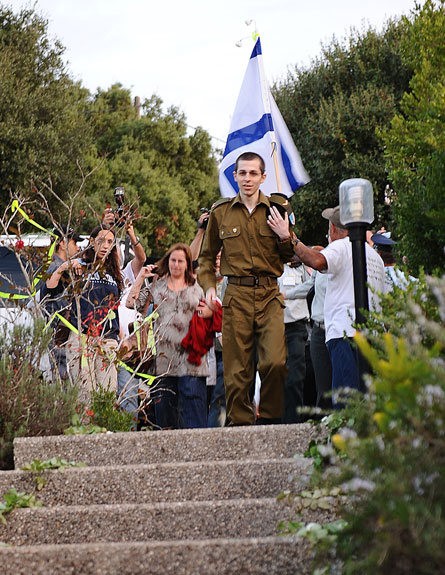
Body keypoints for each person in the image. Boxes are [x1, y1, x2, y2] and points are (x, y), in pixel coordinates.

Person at [198, 151, 297, 426]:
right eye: (242, 173)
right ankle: (240, 427)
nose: (247, 178)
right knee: (236, 371)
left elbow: (290, 255)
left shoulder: (277, 210)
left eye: (253, 173)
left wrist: (284, 235)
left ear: (263, 177)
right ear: (235, 176)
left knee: (274, 363)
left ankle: (269, 420)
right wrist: (208, 288)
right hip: (236, 297)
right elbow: (206, 258)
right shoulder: (221, 213)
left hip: (269, 295)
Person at [287, 205, 385, 403]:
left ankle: (342, 433)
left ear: (332, 228)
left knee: (344, 400)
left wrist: (292, 239)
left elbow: (317, 261)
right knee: (364, 399)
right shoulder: (375, 257)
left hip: (344, 334)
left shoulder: (341, 247)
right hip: (371, 336)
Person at [126, 243, 213, 429]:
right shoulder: (157, 288)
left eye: (181, 261)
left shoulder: (198, 287)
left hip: (192, 361)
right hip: (164, 361)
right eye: (173, 260)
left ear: (187, 264)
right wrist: (142, 276)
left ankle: (198, 454)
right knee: (165, 419)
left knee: (194, 417)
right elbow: (130, 303)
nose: (176, 264)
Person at [42, 225, 123, 404]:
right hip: (82, 338)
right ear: (92, 242)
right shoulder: (80, 267)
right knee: (84, 396)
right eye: (101, 240)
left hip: (108, 339)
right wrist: (64, 267)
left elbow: (115, 308)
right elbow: (47, 291)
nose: (105, 245)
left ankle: (105, 432)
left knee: (107, 395)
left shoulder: (113, 273)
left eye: (110, 242)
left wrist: (119, 336)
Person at [33, 226, 82, 380]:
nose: (77, 247)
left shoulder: (60, 266)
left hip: (59, 334)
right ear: (62, 244)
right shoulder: (55, 268)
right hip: (55, 333)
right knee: (58, 379)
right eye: (74, 242)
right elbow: (47, 298)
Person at [278, 256, 313, 423]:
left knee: (295, 378)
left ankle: (294, 424)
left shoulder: (300, 266)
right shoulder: (266, 264)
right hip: (271, 328)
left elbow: (311, 287)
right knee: (273, 377)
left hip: (295, 328)